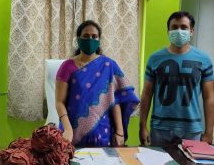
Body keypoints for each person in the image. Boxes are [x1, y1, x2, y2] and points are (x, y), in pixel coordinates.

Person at [55, 20, 139, 147]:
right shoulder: (67, 66)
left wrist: (120, 132)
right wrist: (67, 129)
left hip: (102, 133)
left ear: (99, 40)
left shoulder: (108, 65)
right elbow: (59, 102)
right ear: (78, 39)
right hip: (71, 133)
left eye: (94, 36)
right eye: (86, 36)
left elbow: (115, 100)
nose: (90, 39)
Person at [140, 11, 214, 146]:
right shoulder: (154, 59)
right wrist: (142, 126)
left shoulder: (204, 60)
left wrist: (209, 132)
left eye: (184, 27)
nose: (179, 31)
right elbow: (146, 94)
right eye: (174, 27)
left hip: (191, 130)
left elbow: (209, 97)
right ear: (168, 31)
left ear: (191, 31)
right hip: (160, 128)